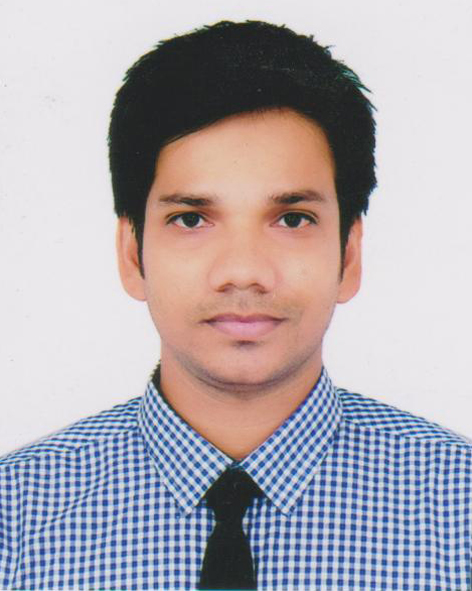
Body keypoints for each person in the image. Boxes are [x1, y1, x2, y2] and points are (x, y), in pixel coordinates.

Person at [0, 19, 470, 591]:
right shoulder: (15, 516)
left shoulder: (459, 509)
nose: (243, 271)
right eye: (191, 219)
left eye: (292, 219)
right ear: (132, 253)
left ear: (349, 255)